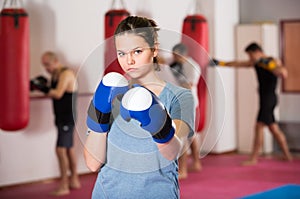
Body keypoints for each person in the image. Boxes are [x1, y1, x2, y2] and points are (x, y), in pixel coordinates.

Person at [84, 16, 195, 199]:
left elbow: (174, 151)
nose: (129, 61)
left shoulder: (180, 97)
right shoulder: (110, 91)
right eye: (122, 53)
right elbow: (92, 163)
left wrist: (156, 121)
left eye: (137, 51)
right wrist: (100, 115)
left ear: (154, 49)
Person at [211, 42, 293, 166]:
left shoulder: (271, 61)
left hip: (269, 99)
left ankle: (253, 158)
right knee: (274, 129)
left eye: (250, 55)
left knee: (258, 126)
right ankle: (288, 156)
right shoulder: (256, 62)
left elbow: (283, 72)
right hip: (265, 99)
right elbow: (239, 64)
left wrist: (272, 67)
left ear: (257, 52)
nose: (250, 58)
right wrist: (220, 63)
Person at [30, 52, 81, 196]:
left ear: (56, 61)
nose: (46, 68)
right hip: (60, 116)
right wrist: (38, 86)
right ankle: (74, 180)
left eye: (47, 64)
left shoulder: (66, 74)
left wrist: (42, 88)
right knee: (69, 149)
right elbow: (51, 91)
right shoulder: (55, 75)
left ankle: (64, 185)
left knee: (60, 150)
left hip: (67, 117)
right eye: (44, 65)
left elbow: (57, 93)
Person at [170, 43, 202, 179]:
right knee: (191, 134)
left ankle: (183, 170)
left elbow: (188, 86)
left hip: (187, 102)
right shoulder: (176, 62)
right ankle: (196, 162)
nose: (173, 58)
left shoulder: (192, 66)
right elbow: (163, 60)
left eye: (176, 56)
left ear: (183, 54)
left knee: (181, 134)